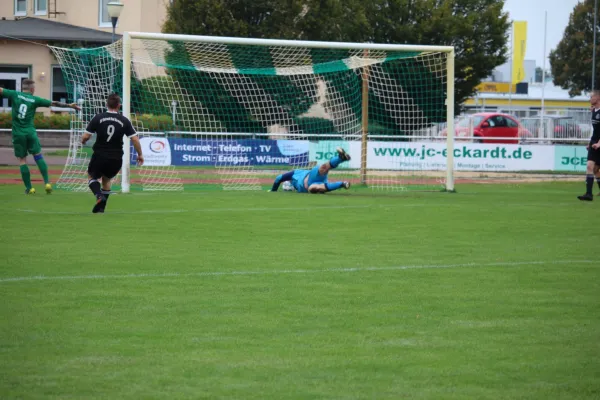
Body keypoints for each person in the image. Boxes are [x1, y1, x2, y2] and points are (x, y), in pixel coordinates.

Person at [0, 80, 80, 194]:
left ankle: (29, 188)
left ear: (23, 88)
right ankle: (47, 182)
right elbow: (54, 103)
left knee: (22, 160)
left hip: (18, 134)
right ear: (32, 89)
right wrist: (69, 105)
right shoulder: (35, 99)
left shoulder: (14, 94)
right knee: (38, 156)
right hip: (30, 132)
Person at [81, 93, 144, 213]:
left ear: (107, 104)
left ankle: (99, 196)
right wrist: (140, 154)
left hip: (99, 155)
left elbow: (86, 136)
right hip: (116, 158)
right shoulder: (124, 120)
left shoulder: (98, 118)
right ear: (119, 105)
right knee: (106, 179)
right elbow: (135, 139)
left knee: (91, 176)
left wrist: (83, 141)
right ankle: (101, 208)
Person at [270, 147, 351, 194]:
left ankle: (340, 158)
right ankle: (342, 184)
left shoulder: (294, 173)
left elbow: (278, 178)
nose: (288, 184)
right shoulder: (297, 188)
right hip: (316, 184)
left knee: (323, 168)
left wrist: (273, 191)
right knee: (314, 188)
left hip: (311, 177)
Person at [578, 91, 600, 201]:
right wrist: (590, 143)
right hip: (594, 141)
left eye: (591, 97)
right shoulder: (593, 111)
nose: (589, 99)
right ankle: (588, 194)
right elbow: (596, 130)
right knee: (590, 167)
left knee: (596, 169)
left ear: (598, 98)